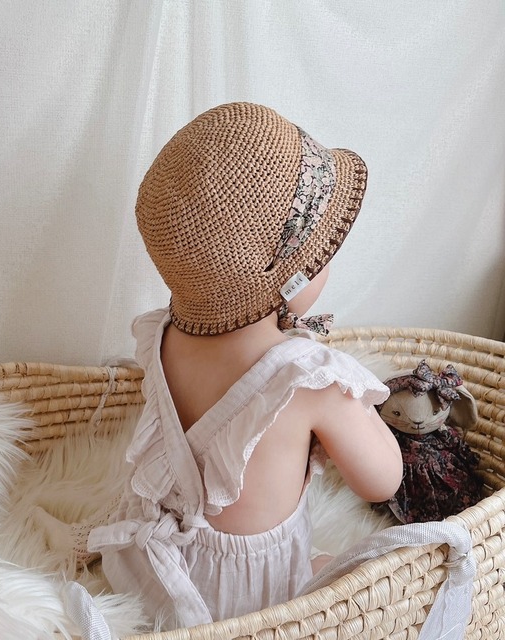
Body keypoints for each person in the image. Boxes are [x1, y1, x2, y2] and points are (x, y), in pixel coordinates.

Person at [88, 102, 403, 629]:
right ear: (291, 277)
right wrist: (352, 414)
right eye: (323, 255)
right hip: (257, 594)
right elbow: (384, 481)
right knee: (356, 580)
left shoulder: (164, 335)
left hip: (169, 567)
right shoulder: (308, 376)